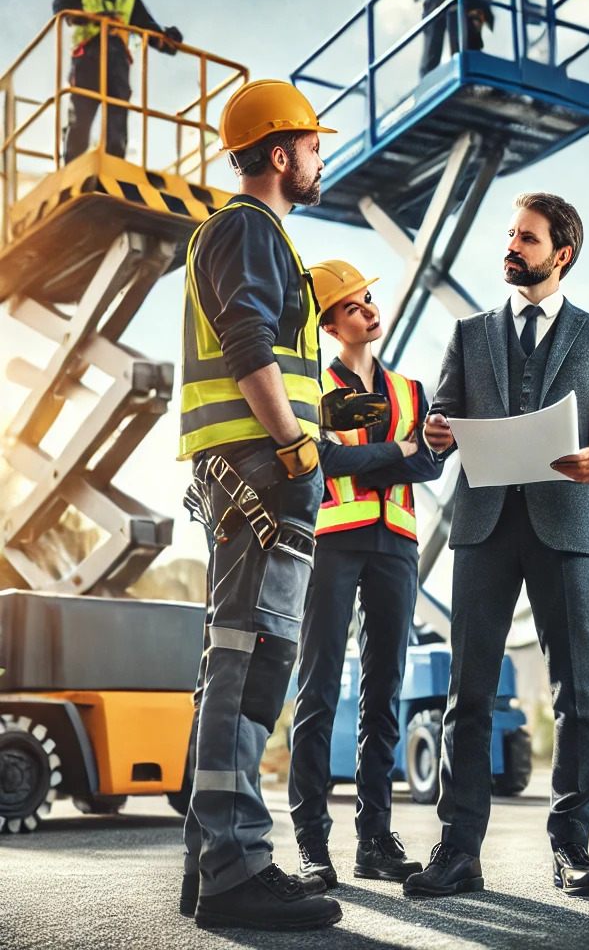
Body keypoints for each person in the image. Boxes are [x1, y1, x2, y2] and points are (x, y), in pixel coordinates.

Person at [403, 192, 589, 898]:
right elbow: (437, 424)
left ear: (560, 254)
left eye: (526, 238)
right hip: (482, 529)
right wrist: (435, 435)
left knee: (577, 699)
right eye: (509, 235)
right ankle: (457, 850)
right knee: (465, 696)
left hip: (565, 527)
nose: (512, 246)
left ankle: (571, 848)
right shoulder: (469, 334)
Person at [178, 78, 342, 931]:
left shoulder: (248, 232)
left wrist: (317, 423)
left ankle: (214, 859)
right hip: (259, 474)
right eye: (313, 145)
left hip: (249, 471)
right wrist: (293, 443)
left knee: (241, 661)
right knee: (249, 664)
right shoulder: (249, 227)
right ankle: (236, 866)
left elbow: (262, 347)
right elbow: (246, 339)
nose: (322, 157)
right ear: (281, 154)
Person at [289, 260, 442, 887]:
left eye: (370, 299)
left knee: (384, 695)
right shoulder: (310, 391)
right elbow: (322, 460)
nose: (369, 311)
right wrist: (398, 454)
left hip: (397, 546)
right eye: (353, 306)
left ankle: (374, 840)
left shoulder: (410, 389)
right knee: (319, 689)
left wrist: (381, 458)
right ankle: (310, 843)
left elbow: (431, 464)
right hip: (334, 543)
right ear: (329, 322)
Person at [53, 0, 183, 163]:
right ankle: (72, 165)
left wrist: (168, 38)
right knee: (81, 116)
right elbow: (63, 11)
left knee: (117, 118)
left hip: (118, 61)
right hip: (88, 57)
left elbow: (149, 29)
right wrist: (96, 17)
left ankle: (115, 165)